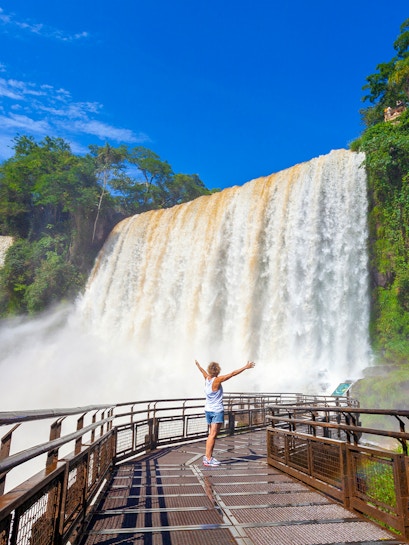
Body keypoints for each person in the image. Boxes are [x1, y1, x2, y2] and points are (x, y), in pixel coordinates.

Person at [195, 359, 256, 467]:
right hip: (216, 411)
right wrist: (245, 367)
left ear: (209, 370)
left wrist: (198, 366)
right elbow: (232, 374)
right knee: (213, 435)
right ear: (217, 371)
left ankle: (208, 457)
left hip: (208, 410)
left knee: (211, 435)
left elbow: (202, 371)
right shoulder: (217, 380)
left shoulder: (207, 379)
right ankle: (208, 459)